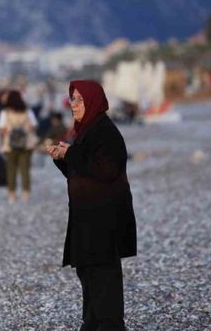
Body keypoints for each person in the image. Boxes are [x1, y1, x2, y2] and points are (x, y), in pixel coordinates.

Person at [45, 80, 137, 331]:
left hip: (104, 219)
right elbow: (83, 171)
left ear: (93, 101)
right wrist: (62, 158)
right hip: (89, 217)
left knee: (103, 275)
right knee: (88, 272)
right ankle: (93, 323)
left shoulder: (104, 131)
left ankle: (109, 325)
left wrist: (70, 154)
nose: (72, 105)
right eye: (71, 99)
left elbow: (106, 170)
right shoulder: (87, 130)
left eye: (78, 100)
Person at [0, 90, 38, 203]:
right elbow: (34, 126)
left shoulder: (5, 113)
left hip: (10, 145)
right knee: (25, 169)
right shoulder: (27, 111)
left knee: (11, 170)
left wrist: (10, 130)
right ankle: (26, 193)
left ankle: (12, 194)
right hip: (26, 144)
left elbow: (1, 129)